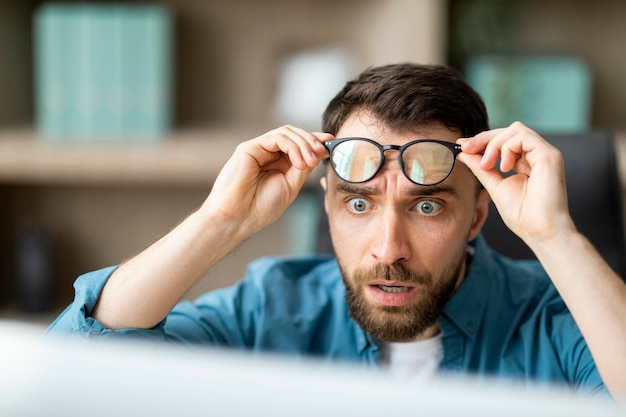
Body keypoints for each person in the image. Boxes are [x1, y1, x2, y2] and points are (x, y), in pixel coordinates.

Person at [47, 63, 626, 400]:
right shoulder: (271, 307)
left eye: (427, 208)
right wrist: (219, 222)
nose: (387, 249)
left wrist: (554, 234)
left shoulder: (556, 318)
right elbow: (65, 378)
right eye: (358, 204)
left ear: (477, 217)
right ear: (326, 206)